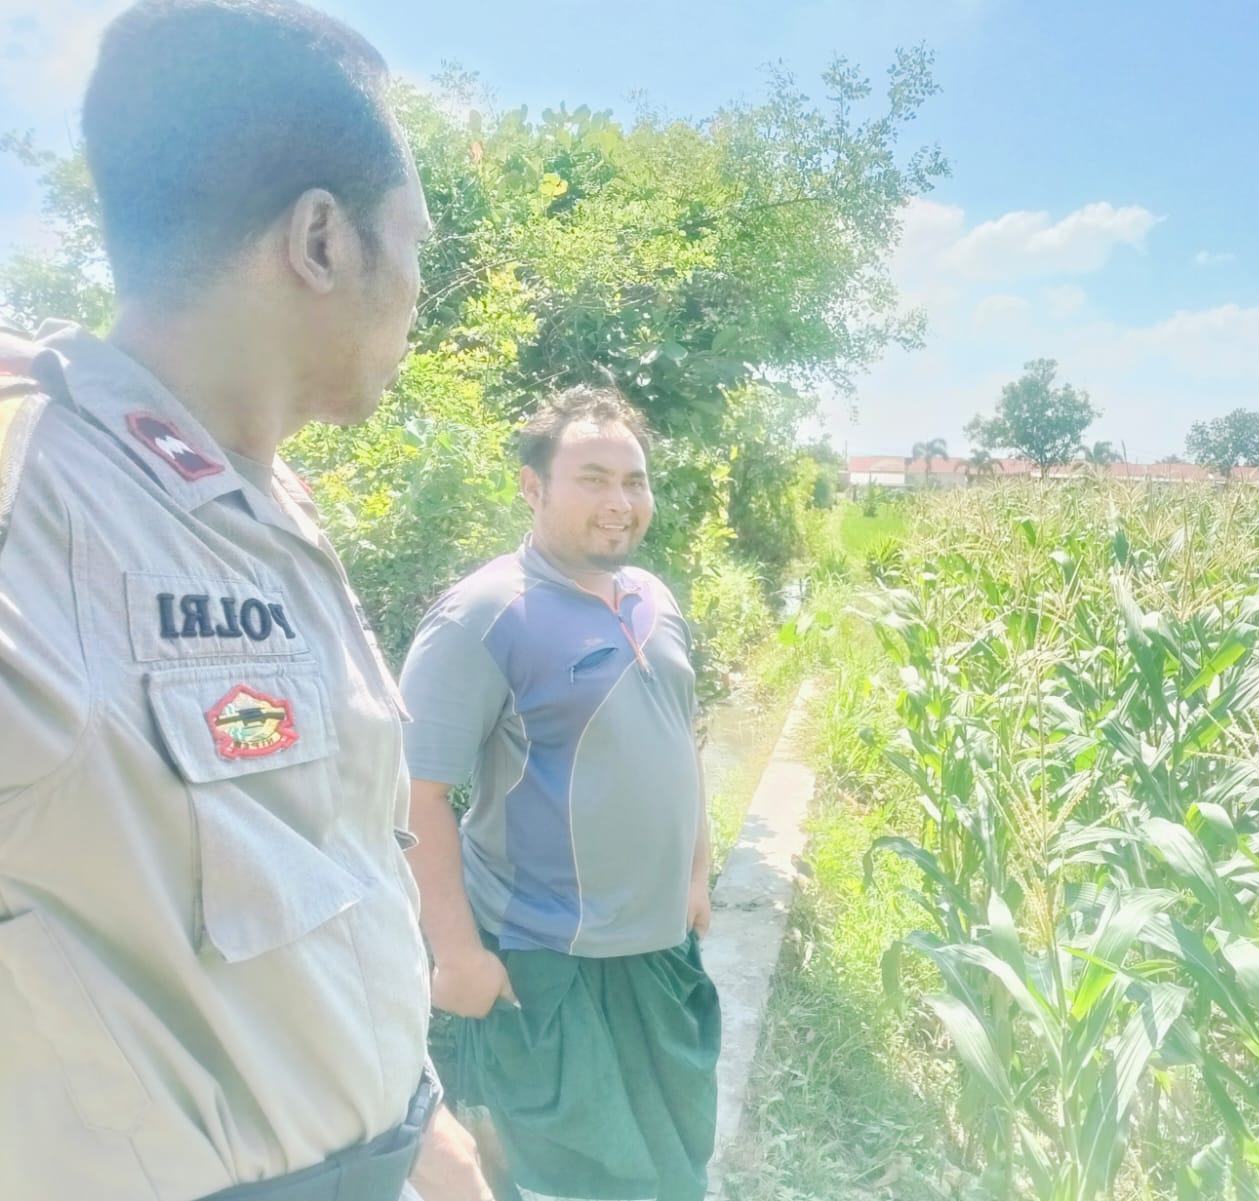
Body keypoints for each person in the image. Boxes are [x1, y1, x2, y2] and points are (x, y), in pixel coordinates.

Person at [0, 2, 492, 1198]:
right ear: (322, 240)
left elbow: (321, 862)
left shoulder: (261, 505)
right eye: (415, 243)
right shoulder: (36, 491)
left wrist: (421, 1123)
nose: (420, 287)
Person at [400, 385, 721, 1201]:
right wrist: (457, 954)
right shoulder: (483, 613)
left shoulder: (655, 597)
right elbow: (414, 793)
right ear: (532, 486)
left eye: (633, 480)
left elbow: (680, 738)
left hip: (659, 954)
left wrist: (695, 874)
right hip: (550, 966)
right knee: (569, 1180)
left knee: (675, 1165)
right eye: (593, 478)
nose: (620, 502)